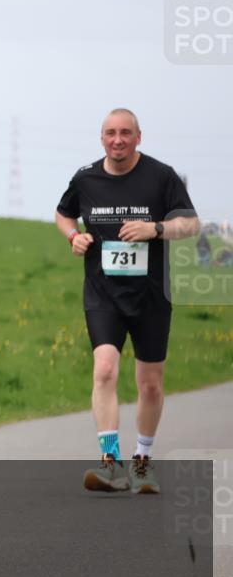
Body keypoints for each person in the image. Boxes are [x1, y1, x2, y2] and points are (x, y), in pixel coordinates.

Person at [55, 108, 199, 494]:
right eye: (110, 133)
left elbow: (191, 224)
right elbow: (63, 214)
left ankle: (142, 461)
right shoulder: (85, 178)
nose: (117, 140)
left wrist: (155, 228)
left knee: (150, 384)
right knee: (104, 369)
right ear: (101, 138)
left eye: (125, 133)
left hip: (151, 295)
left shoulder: (161, 176)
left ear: (138, 137)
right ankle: (110, 462)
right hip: (103, 294)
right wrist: (74, 238)